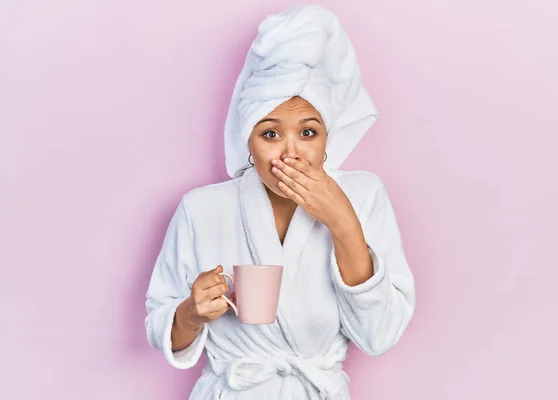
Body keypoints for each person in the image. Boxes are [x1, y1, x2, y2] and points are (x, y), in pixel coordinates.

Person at [144, 5, 416, 399]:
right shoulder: (202, 209)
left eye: (308, 132)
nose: (291, 153)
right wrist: (191, 311)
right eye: (270, 135)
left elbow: (380, 335)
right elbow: (160, 321)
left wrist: (342, 222)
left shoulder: (363, 194)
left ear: (327, 141)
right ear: (248, 144)